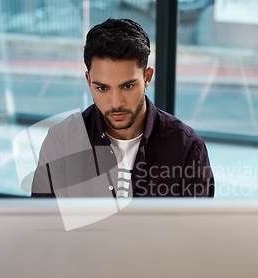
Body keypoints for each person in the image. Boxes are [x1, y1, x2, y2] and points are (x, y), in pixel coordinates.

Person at [31, 18, 214, 198]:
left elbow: (198, 227)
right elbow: (42, 224)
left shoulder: (187, 148)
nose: (116, 103)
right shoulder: (62, 142)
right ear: (88, 81)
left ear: (147, 77)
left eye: (128, 86)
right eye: (102, 88)